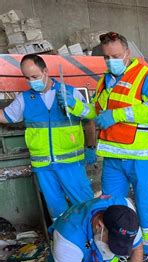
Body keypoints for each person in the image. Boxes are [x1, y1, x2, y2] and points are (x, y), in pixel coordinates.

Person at [62, 32, 148, 256]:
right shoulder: (104, 81)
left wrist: (117, 115)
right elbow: (96, 112)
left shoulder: (145, 76)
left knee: (146, 202)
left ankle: (147, 247)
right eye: (107, 57)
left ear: (127, 53)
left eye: (115, 56)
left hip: (142, 156)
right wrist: (76, 106)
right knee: (111, 204)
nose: (111, 61)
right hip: (113, 158)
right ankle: (113, 243)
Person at [0, 54, 95, 220]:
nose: (31, 81)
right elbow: (5, 116)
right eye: (27, 78)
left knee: (85, 207)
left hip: (71, 165)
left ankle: (92, 242)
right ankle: (63, 241)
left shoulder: (70, 93)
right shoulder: (25, 99)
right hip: (44, 167)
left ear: (46, 71)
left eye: (35, 76)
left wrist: (91, 147)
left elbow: (89, 119)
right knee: (57, 213)